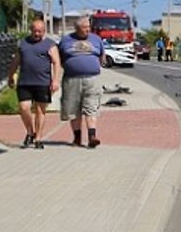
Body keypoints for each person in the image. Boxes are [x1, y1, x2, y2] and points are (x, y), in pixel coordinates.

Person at [6, 18, 61, 149]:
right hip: (25, 82)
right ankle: (30, 132)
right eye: (35, 31)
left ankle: (38, 138)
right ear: (31, 30)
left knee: (40, 110)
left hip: (42, 82)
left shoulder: (50, 44)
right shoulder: (23, 43)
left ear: (44, 31)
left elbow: (56, 62)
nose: (37, 34)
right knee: (24, 108)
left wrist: (55, 80)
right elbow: (16, 61)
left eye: (40, 31)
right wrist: (10, 75)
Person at [59, 17, 106, 148]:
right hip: (72, 79)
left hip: (92, 79)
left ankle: (92, 136)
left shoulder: (96, 39)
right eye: (84, 28)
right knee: (73, 109)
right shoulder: (66, 41)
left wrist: (97, 64)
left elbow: (102, 54)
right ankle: (77, 138)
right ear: (77, 28)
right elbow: (59, 58)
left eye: (88, 27)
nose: (87, 30)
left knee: (91, 107)